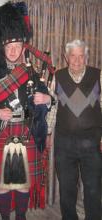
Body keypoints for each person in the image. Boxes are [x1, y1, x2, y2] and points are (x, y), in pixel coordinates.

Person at [0, 1, 55, 220]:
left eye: (17, 45)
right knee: (4, 185)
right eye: (8, 46)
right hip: (3, 132)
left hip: (26, 131)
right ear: (2, 48)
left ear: (24, 47)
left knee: (22, 184)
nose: (13, 50)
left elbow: (49, 100)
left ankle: (21, 217)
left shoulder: (33, 73)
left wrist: (48, 99)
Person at [47, 39, 102, 220]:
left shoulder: (98, 76)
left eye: (81, 56)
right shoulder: (57, 77)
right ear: (66, 57)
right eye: (73, 56)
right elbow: (52, 107)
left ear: (86, 57)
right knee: (67, 189)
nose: (77, 61)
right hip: (64, 142)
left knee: (94, 188)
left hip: (92, 143)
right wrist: (48, 132)